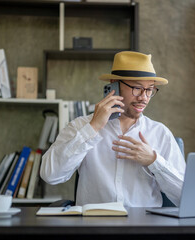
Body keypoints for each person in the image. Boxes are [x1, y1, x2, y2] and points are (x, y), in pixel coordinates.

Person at [40, 51, 186, 207]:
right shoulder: (80, 126)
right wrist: (93, 128)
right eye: (137, 88)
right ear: (114, 84)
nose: (144, 97)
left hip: (144, 227)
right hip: (95, 227)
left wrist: (154, 161)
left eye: (150, 89)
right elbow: (50, 175)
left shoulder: (160, 133)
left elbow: (185, 196)